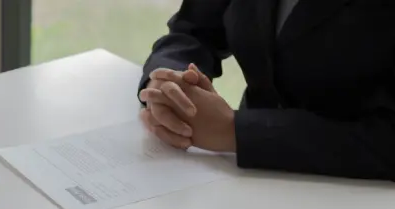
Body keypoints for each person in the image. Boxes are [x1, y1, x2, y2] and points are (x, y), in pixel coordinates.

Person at [137, 0, 395, 181]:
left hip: (359, 203)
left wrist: (236, 131)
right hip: (246, 182)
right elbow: (193, 31)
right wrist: (167, 82)